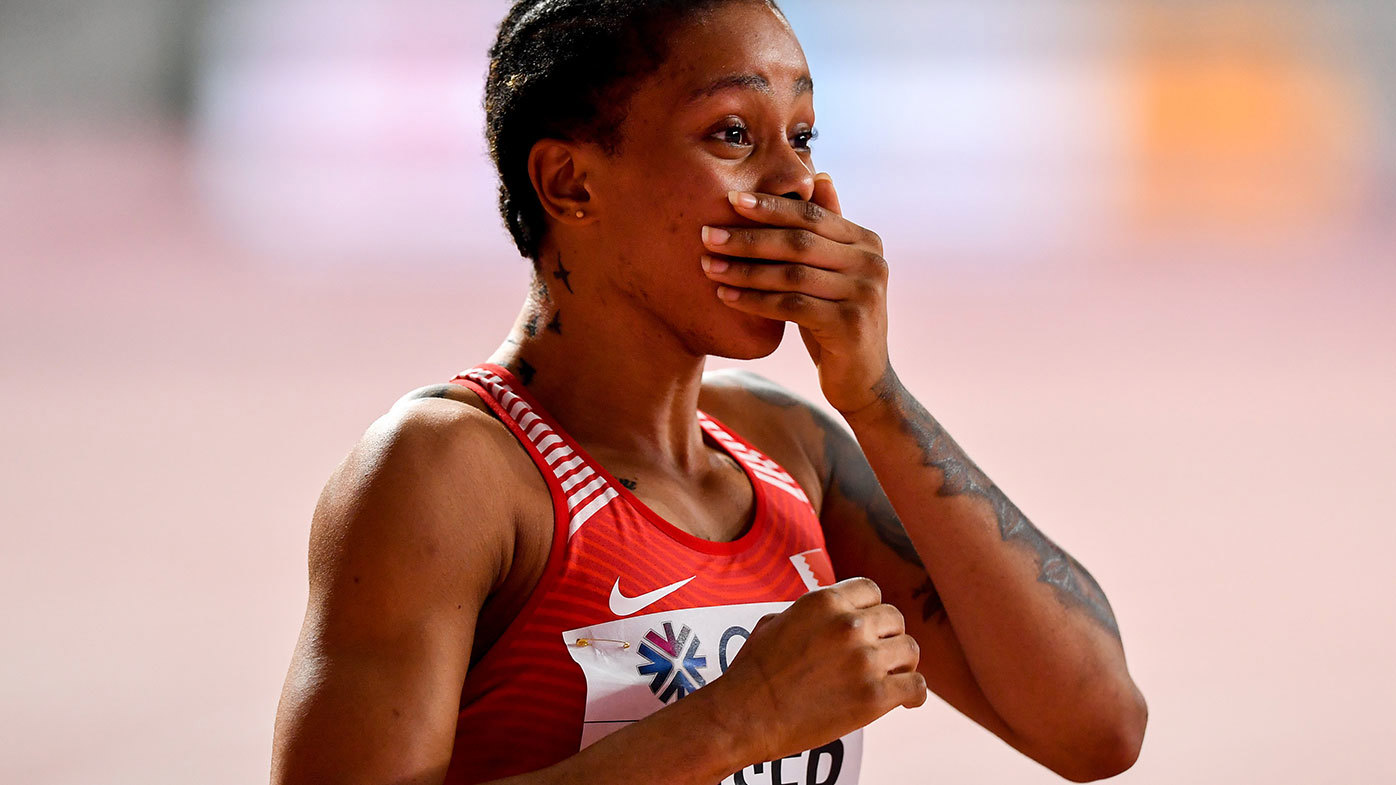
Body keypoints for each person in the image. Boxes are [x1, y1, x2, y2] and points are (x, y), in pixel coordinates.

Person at [270, 1, 1148, 783]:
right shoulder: (448, 471)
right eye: (734, 134)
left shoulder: (787, 448)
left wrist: (874, 394)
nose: (798, 185)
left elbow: (1097, 728)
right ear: (571, 184)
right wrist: (738, 720)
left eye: (801, 136)